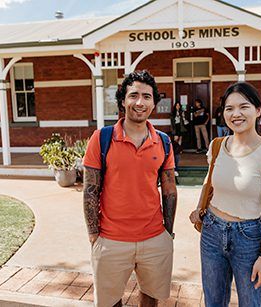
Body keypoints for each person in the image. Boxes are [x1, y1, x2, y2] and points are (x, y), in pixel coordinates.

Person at [82, 70, 178, 307]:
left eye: (146, 96)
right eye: (133, 95)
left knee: (150, 298)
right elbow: (90, 190)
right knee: (110, 302)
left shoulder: (164, 141)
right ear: (123, 100)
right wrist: (94, 234)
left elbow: (169, 190)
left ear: (154, 103)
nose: (139, 102)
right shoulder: (101, 138)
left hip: (154, 236)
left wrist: (168, 232)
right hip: (111, 238)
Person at [189, 82, 261, 307]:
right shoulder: (217, 146)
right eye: (229, 108)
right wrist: (199, 208)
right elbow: (209, 181)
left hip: (248, 239)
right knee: (213, 302)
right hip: (211, 232)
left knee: (251, 302)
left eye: (244, 107)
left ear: (258, 110)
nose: (236, 114)